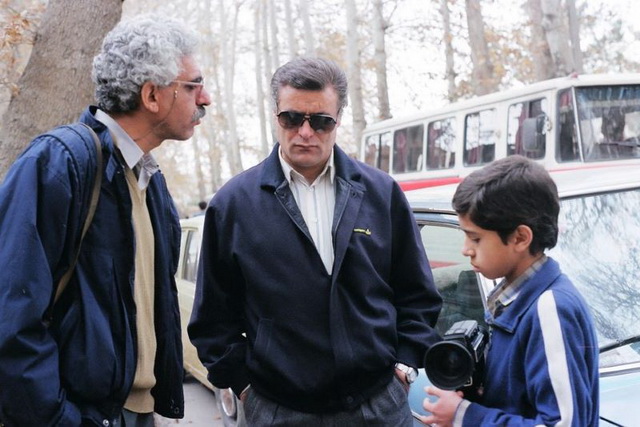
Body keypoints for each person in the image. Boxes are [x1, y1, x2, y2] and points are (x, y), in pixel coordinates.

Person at [188, 57, 442, 426]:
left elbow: (417, 294)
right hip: (278, 410)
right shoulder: (233, 204)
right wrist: (243, 386)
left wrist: (405, 365)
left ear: (338, 119)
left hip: (379, 405)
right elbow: (212, 319)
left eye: (321, 121)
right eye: (292, 118)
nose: (305, 132)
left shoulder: (381, 193)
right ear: (276, 116)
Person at [0, 14, 210, 426]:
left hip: (133, 414)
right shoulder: (61, 164)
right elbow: (11, 317)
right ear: (152, 95)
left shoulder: (151, 182)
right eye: (193, 85)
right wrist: (61, 419)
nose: (205, 99)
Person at [419, 155, 599, 426]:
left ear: (520, 238)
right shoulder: (514, 302)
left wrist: (466, 415)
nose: (466, 249)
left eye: (475, 238)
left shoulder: (549, 308)